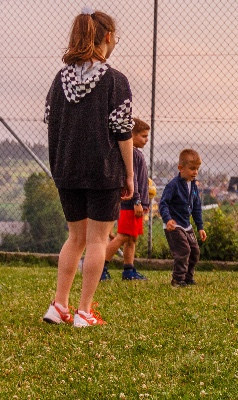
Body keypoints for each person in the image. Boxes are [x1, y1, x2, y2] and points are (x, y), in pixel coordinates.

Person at [41, 7, 134, 327]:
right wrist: (130, 174)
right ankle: (84, 311)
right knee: (97, 240)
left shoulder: (59, 79)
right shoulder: (115, 81)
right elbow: (123, 133)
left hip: (66, 169)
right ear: (107, 37)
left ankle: (58, 306)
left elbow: (50, 122)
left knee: (74, 238)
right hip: (102, 172)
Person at [101, 117, 151, 281]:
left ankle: (129, 270)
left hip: (138, 205)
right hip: (131, 204)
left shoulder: (137, 154)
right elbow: (133, 179)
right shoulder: (132, 155)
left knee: (132, 237)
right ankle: (101, 267)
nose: (146, 139)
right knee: (123, 236)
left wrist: (145, 203)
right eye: (143, 136)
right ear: (132, 135)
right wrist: (137, 201)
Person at [159, 149, 207, 287]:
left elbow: (197, 207)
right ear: (181, 168)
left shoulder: (193, 186)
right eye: (192, 169)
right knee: (183, 250)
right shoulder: (173, 185)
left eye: (197, 169)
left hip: (187, 225)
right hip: (174, 225)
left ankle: (188, 277)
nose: (195, 172)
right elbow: (163, 204)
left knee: (195, 251)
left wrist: (200, 227)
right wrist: (167, 219)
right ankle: (177, 279)